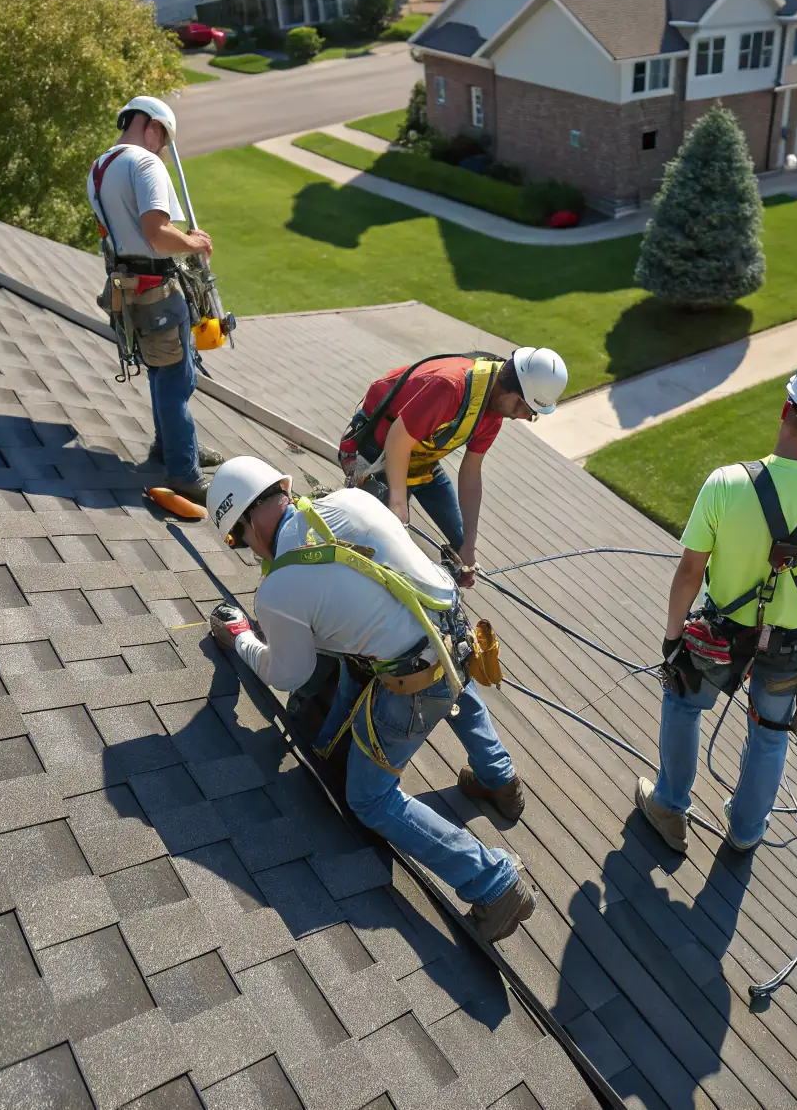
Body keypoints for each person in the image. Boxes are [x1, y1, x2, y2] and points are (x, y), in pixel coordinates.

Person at [206, 456, 536, 943]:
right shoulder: (349, 499)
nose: (245, 549)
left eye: (236, 538)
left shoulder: (278, 590)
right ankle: (499, 778)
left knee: (369, 798)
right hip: (453, 634)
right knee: (450, 680)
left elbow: (287, 672)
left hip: (414, 682)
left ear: (250, 519)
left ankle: (493, 883)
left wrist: (242, 639)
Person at [636, 355, 797, 855]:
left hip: (717, 638)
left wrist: (673, 639)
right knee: (770, 733)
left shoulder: (727, 482)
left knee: (682, 704)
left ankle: (670, 806)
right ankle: (744, 832)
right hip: (788, 648)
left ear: (787, 408)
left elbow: (689, 572)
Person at [87, 96, 222, 506]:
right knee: (177, 382)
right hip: (156, 290)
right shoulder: (145, 164)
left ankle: (173, 447)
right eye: (162, 137)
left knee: (164, 375)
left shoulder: (100, 167)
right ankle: (183, 471)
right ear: (151, 126)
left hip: (130, 287)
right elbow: (157, 232)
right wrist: (193, 242)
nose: (161, 147)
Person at [340, 348, 568, 583]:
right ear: (510, 385)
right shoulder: (450, 386)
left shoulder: (493, 411)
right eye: (521, 407)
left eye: (530, 413)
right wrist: (398, 506)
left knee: (463, 551)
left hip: (420, 461)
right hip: (380, 452)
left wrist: (469, 545)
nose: (520, 416)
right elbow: (397, 440)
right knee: (380, 545)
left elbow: (471, 474)